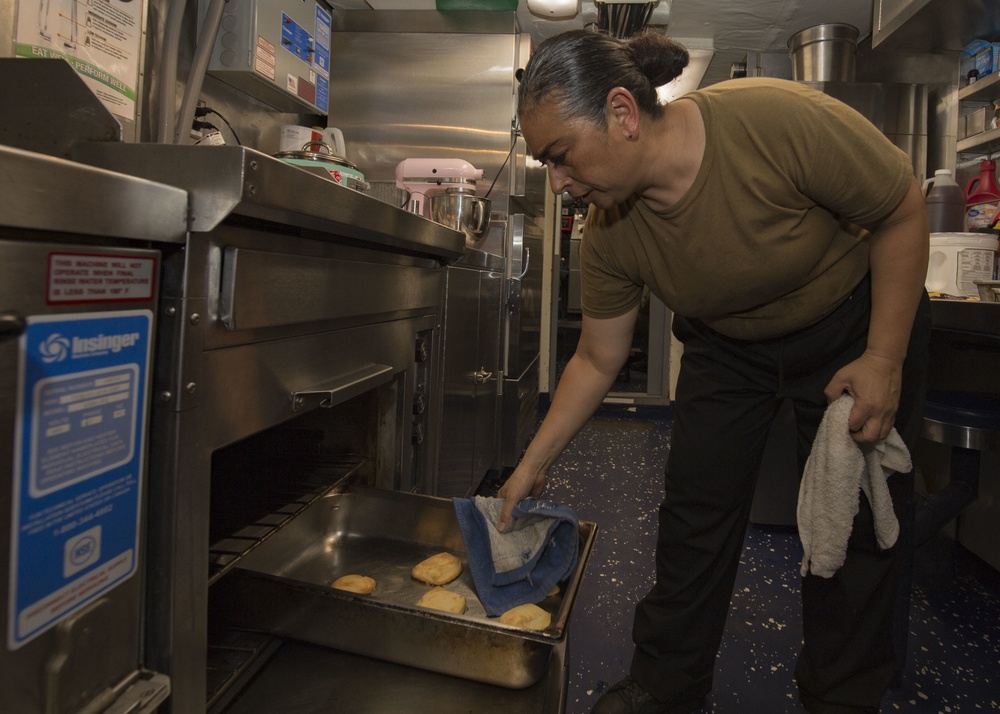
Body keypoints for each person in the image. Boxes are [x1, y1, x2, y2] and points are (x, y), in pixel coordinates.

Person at [497, 29, 931, 714]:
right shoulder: (609, 234)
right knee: (695, 514)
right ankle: (665, 683)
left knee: (852, 521)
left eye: (560, 157)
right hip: (728, 349)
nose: (558, 182)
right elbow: (596, 357)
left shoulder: (775, 122)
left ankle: (841, 698)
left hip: (850, 324)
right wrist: (531, 466)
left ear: (621, 113)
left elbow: (902, 206)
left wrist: (884, 358)